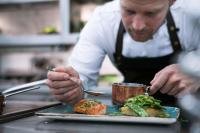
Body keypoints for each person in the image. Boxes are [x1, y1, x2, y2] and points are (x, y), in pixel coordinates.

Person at [47, 0, 200, 105]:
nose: (138, 26)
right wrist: (72, 89)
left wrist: (196, 73)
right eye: (129, 11)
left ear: (171, 1)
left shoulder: (193, 13)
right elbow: (81, 79)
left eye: (150, 14)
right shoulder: (102, 20)